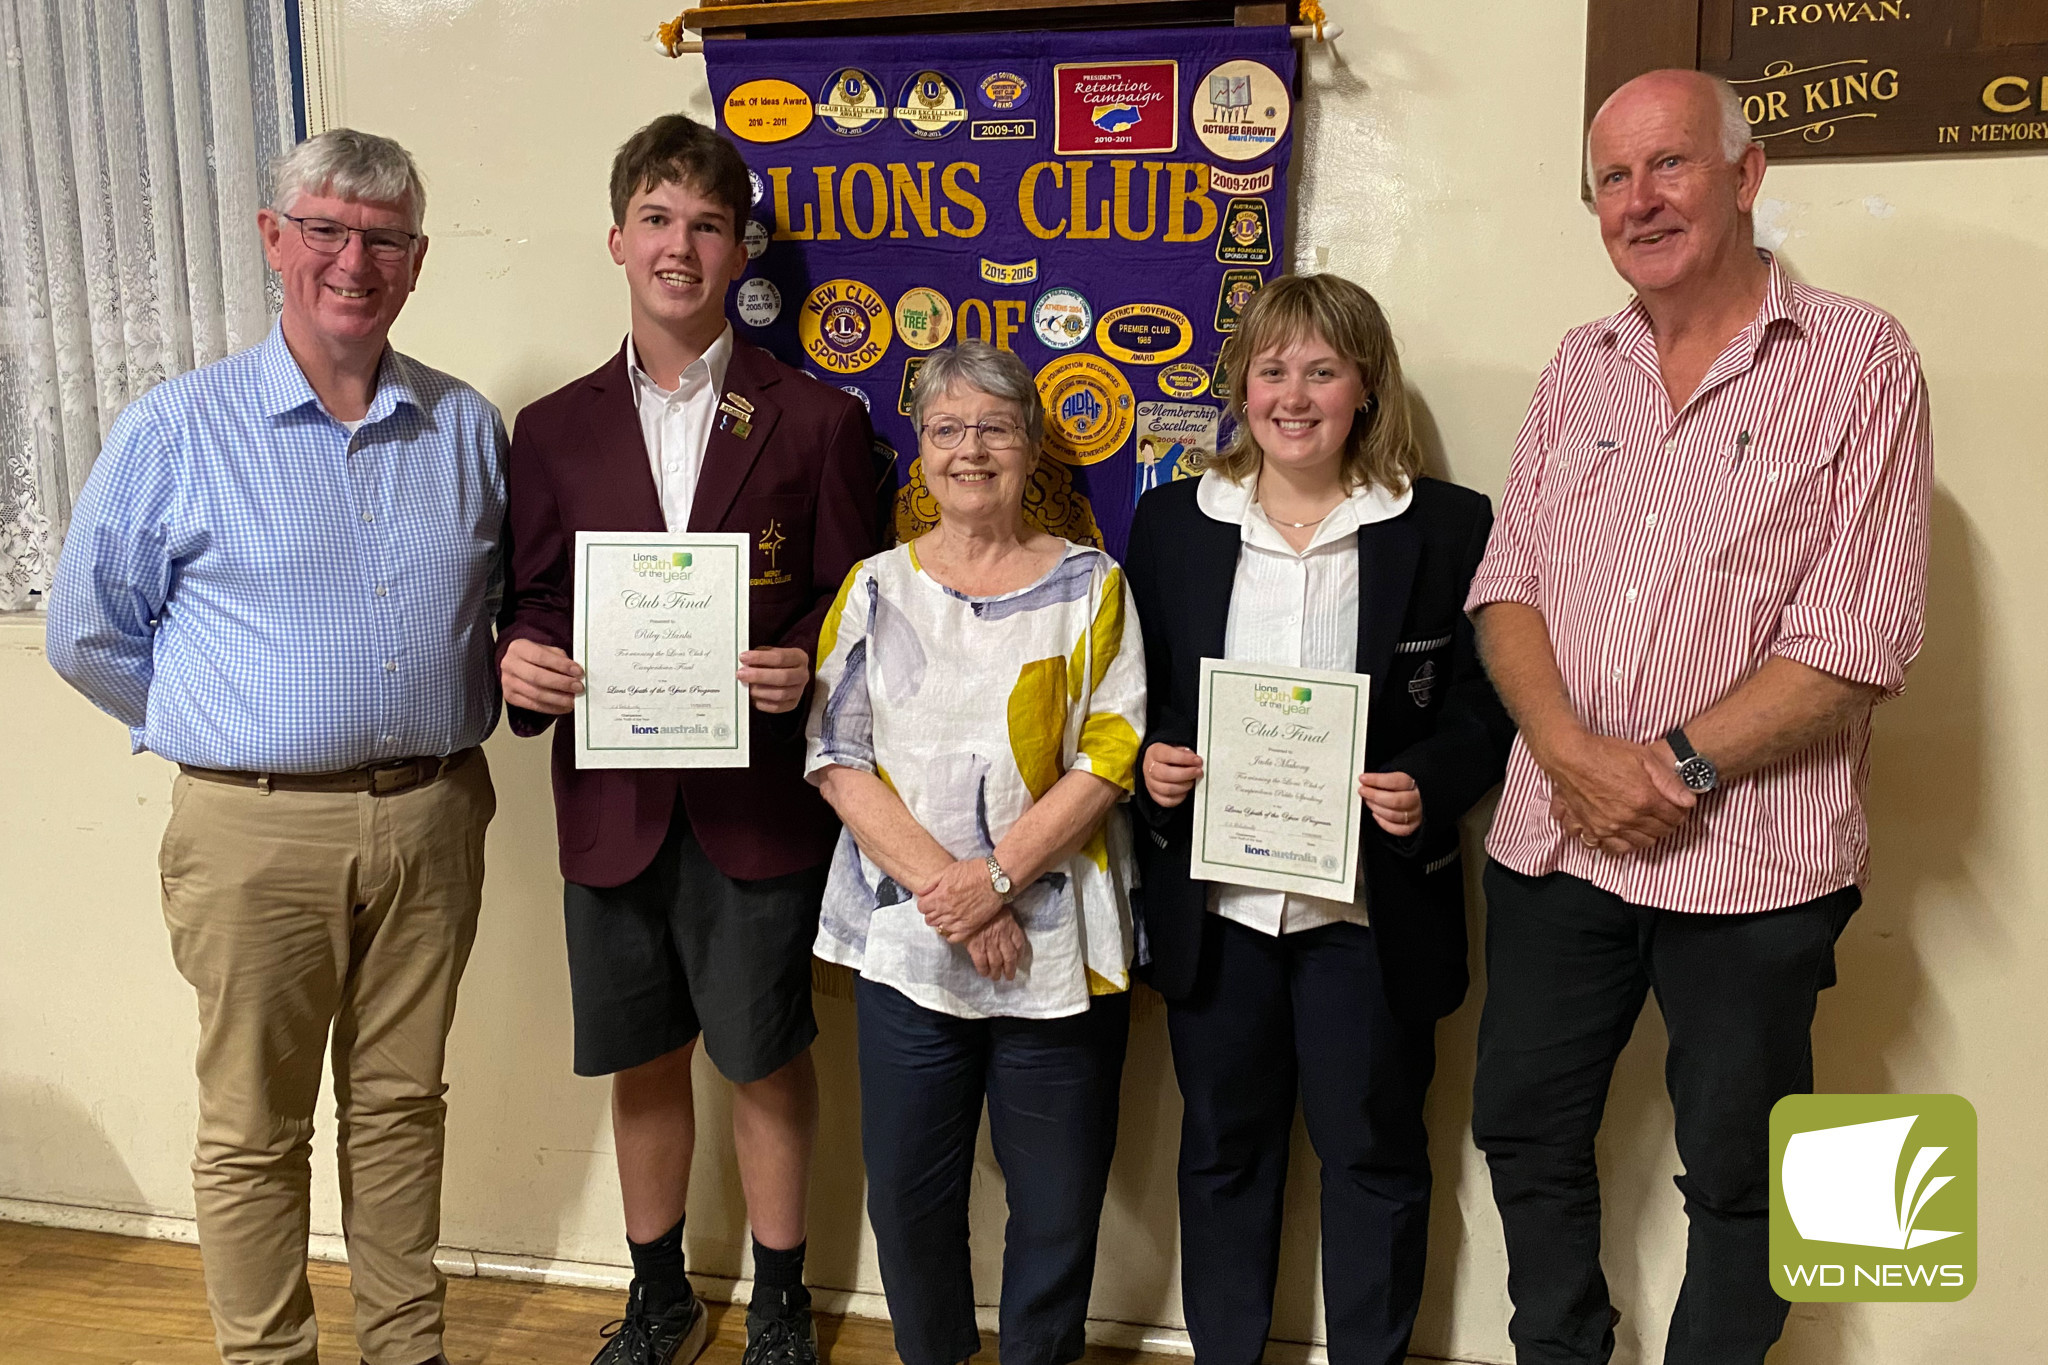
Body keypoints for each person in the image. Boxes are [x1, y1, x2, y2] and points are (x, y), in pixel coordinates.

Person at [1464, 69, 1932, 1365]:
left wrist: (1663, 767)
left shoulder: (1860, 359)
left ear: (1746, 172)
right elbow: (1507, 584)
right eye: (1613, 177)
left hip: (1761, 860)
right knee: (1524, 1127)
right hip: (1557, 842)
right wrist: (1569, 753)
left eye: (1667, 164)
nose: (1639, 199)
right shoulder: (1581, 365)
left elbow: (1861, 636)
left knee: (1750, 1167)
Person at [45, 130, 502, 1365]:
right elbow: (86, 632)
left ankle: (406, 1353)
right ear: (273, 239)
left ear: (415, 262)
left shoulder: (464, 428)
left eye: (384, 239)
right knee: (253, 1127)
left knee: (403, 1113)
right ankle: (271, 1357)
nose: (354, 261)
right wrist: (207, 718)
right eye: (327, 231)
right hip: (251, 832)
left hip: (434, 816)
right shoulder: (178, 427)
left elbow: (507, 614)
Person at [495, 114, 883, 1365]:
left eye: (706, 224)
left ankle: (779, 1299)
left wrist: (808, 662)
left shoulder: (814, 419)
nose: (679, 246)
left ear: (740, 249)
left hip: (756, 801)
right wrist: (523, 656)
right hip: (610, 801)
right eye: (656, 220)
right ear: (617, 240)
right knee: (642, 1056)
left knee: (765, 1055)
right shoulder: (552, 428)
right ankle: (657, 1293)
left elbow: (858, 598)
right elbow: (531, 596)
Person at [1124, 272, 1514, 1365]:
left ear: (1364, 387)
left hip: (1370, 911)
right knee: (1222, 1153)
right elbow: (1133, 693)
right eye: (1270, 368)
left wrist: (1425, 785)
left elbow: (1489, 708)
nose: (1291, 394)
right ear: (1240, 384)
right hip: (1223, 904)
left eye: (1321, 369)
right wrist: (1148, 768)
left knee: (1375, 1156)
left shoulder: (1443, 527)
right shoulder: (1170, 524)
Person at [806, 342, 1144, 1365]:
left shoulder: (1093, 586)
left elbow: (1110, 751)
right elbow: (833, 753)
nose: (970, 449)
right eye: (948, 428)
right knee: (908, 1198)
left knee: (1055, 1207)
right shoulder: (873, 588)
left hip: (1057, 948)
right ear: (918, 447)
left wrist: (996, 882)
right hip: (909, 947)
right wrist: (951, 896)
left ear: (1031, 446)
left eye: (994, 428)